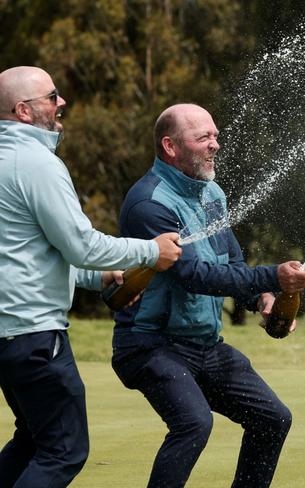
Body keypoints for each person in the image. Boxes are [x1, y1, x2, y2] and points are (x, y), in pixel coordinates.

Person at [0, 66, 183, 488]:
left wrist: (95, 278)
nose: (62, 102)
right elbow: (81, 244)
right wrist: (150, 250)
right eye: (53, 96)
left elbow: (30, 249)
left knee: (32, 439)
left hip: (11, 336)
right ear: (24, 111)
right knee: (64, 451)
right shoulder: (36, 162)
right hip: (34, 334)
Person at [111, 103, 305, 488]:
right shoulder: (148, 203)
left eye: (215, 135)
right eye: (203, 137)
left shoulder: (211, 193)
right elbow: (192, 276)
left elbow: (230, 259)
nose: (215, 145)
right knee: (193, 424)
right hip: (149, 346)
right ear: (170, 146)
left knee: (273, 419)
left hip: (203, 346)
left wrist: (263, 298)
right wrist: (272, 275)